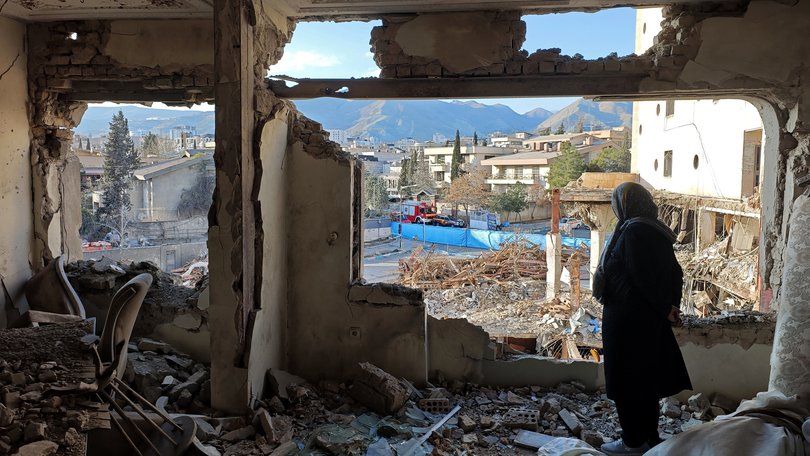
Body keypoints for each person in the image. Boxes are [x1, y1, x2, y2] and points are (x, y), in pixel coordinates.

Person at [593, 182, 692, 456]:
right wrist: (671, 305)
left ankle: (632, 442)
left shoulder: (634, 231)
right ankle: (647, 437)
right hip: (644, 320)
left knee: (626, 382)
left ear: (625, 205)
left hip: (629, 322)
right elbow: (675, 272)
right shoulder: (652, 229)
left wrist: (665, 306)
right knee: (643, 381)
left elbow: (642, 277)